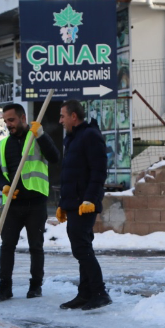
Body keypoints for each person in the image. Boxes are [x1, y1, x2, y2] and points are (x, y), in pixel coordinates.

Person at [0, 103, 60, 301]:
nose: (8, 125)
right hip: (12, 204)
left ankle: (35, 286)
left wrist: (42, 135)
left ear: (22, 118)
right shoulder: (3, 145)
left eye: (11, 120)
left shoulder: (36, 139)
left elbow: (54, 157)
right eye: (5, 122)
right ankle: (5, 287)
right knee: (7, 246)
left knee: (36, 246)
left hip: (36, 202)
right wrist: (3, 185)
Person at [56, 100, 111, 311]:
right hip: (75, 204)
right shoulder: (73, 139)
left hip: (84, 203)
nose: (60, 121)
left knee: (81, 248)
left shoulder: (89, 136)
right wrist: (63, 204)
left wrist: (90, 198)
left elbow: (99, 171)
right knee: (81, 248)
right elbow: (71, 176)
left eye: (62, 116)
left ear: (73, 117)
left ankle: (99, 292)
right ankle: (85, 292)